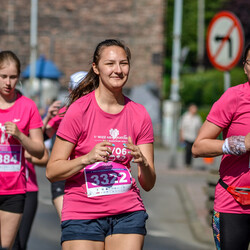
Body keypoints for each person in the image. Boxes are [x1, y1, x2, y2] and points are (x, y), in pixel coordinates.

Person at [46, 39, 156, 250]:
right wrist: (86, 159)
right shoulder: (79, 111)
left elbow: (149, 183)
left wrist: (143, 163)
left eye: (123, 63)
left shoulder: (139, 113)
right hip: (82, 213)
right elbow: (52, 171)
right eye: (110, 64)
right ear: (96, 68)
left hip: (127, 213)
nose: (118, 70)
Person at [192, 43, 250, 250]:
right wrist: (241, 143)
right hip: (234, 202)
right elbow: (198, 147)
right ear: (245, 67)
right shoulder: (234, 97)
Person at [0, 51, 45, 249]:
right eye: (3, 76)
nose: (8, 82)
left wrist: (20, 135)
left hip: (14, 190)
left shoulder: (27, 106)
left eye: (12, 77)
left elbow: (39, 150)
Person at [42, 71, 87, 219]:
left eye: (87, 90)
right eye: (78, 91)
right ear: (70, 91)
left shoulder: (97, 114)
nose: (83, 95)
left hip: (87, 177)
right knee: (69, 224)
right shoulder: (63, 113)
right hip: (62, 175)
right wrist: (48, 117)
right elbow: (42, 136)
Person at [13, 149, 49, 250]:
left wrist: (26, 154)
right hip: (4, 189)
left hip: (28, 189)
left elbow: (45, 159)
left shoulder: (29, 133)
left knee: (20, 242)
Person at [179, 104, 202, 168]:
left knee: (192, 151)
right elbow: (181, 127)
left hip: (194, 137)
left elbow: (199, 128)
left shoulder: (197, 118)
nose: (195, 110)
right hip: (186, 136)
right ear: (190, 109)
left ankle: (190, 163)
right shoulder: (185, 117)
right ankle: (187, 163)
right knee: (187, 150)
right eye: (193, 108)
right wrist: (181, 136)